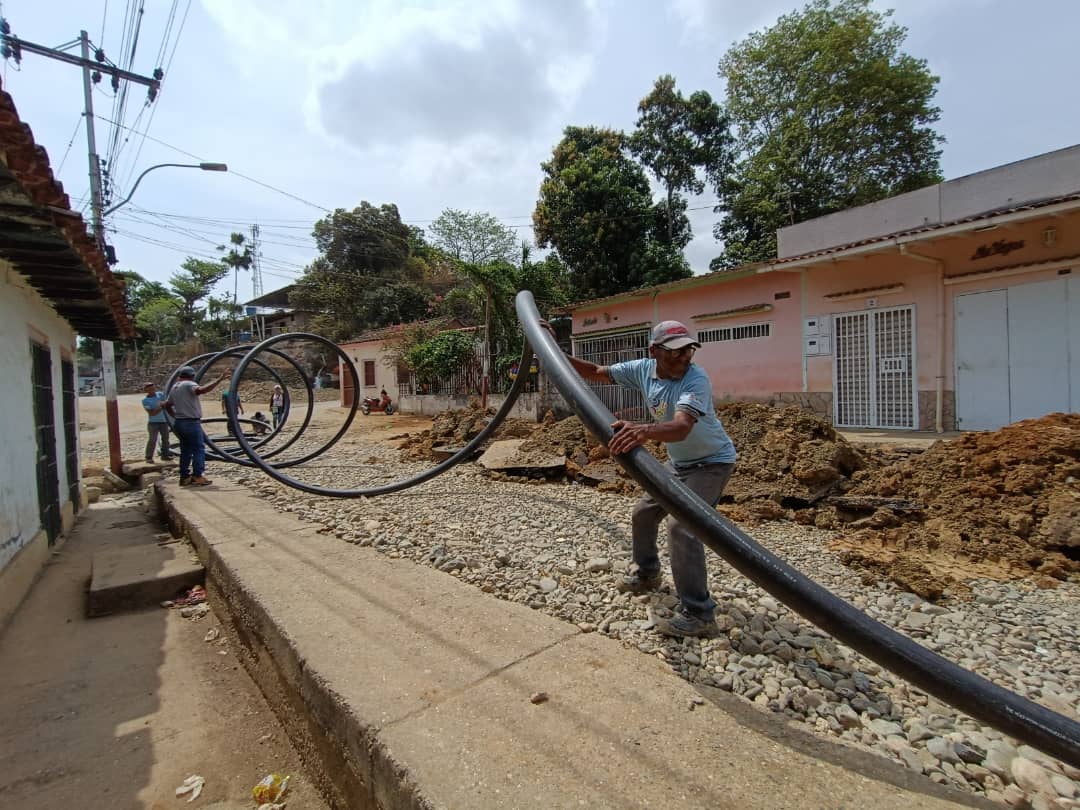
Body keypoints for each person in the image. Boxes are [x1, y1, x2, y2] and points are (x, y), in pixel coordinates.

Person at [547, 319, 737, 638]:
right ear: (654, 351)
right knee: (643, 513)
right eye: (674, 352)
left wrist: (643, 430)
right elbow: (595, 372)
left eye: (688, 351)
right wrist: (552, 348)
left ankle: (699, 614)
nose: (683, 358)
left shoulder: (695, 379)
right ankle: (647, 573)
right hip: (680, 463)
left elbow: (681, 427)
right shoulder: (642, 370)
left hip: (712, 463)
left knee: (683, 526)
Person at [166, 365, 229, 486]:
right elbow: (201, 390)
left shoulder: (175, 387)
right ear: (192, 376)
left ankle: (184, 477)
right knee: (198, 449)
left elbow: (168, 404)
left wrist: (175, 416)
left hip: (179, 423)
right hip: (191, 422)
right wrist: (220, 379)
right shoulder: (189, 384)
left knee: (185, 450)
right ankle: (198, 476)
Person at [141, 381, 173, 462]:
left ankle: (165, 455)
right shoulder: (145, 400)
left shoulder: (160, 394)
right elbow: (152, 413)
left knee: (165, 439)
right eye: (150, 389)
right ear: (146, 390)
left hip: (164, 421)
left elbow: (167, 400)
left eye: (153, 388)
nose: (152, 390)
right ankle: (148, 457)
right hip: (153, 423)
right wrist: (161, 406)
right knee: (152, 440)